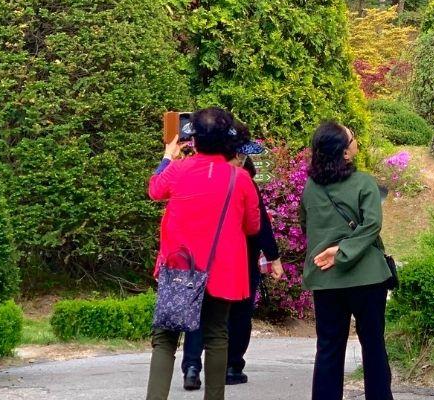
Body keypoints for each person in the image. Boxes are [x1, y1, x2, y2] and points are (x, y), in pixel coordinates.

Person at [146, 108, 261, 400]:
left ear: (193, 139)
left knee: (165, 338)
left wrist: (168, 156)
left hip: (180, 266)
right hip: (221, 269)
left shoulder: (178, 170)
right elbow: (252, 225)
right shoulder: (240, 179)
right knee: (217, 334)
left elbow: (155, 190)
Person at [181, 124, 285, 390]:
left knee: (199, 311)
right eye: (243, 154)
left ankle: (192, 366)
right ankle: (231, 365)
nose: (245, 159)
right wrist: (273, 256)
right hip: (238, 258)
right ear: (237, 154)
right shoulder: (242, 181)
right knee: (239, 312)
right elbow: (258, 224)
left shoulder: (199, 175)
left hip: (199, 256)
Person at [299, 121, 394, 400]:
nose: (356, 141)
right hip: (367, 278)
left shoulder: (310, 188)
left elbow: (307, 226)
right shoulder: (364, 182)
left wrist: (331, 251)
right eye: (353, 138)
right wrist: (344, 251)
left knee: (328, 347)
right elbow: (372, 225)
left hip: (325, 280)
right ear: (344, 152)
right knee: (373, 345)